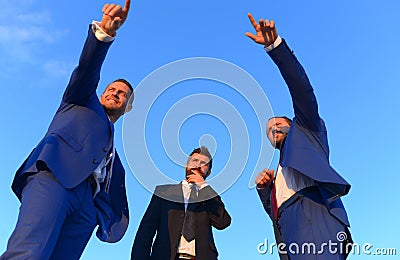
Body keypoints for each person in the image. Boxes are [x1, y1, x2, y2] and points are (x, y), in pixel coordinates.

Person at [1, 1, 133, 259]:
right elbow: (87, 70)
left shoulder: (113, 152)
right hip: (55, 178)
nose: (115, 94)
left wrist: (97, 214)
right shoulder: (82, 98)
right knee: (30, 253)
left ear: (127, 107)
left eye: (123, 95)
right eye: (112, 90)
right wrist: (105, 34)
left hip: (86, 207)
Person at [246, 13, 352, 259]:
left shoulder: (307, 130)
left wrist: (275, 47)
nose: (273, 129)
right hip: (289, 232)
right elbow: (277, 211)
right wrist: (266, 190)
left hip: (313, 215)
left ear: (292, 124)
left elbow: (301, 88)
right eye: (269, 129)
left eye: (278, 124)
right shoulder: (282, 168)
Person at [131, 146, 231, 260]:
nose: (198, 164)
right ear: (186, 165)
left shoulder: (209, 197)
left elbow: (223, 222)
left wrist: (203, 186)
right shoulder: (164, 192)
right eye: (194, 160)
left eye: (203, 163)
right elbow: (146, 230)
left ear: (208, 172)